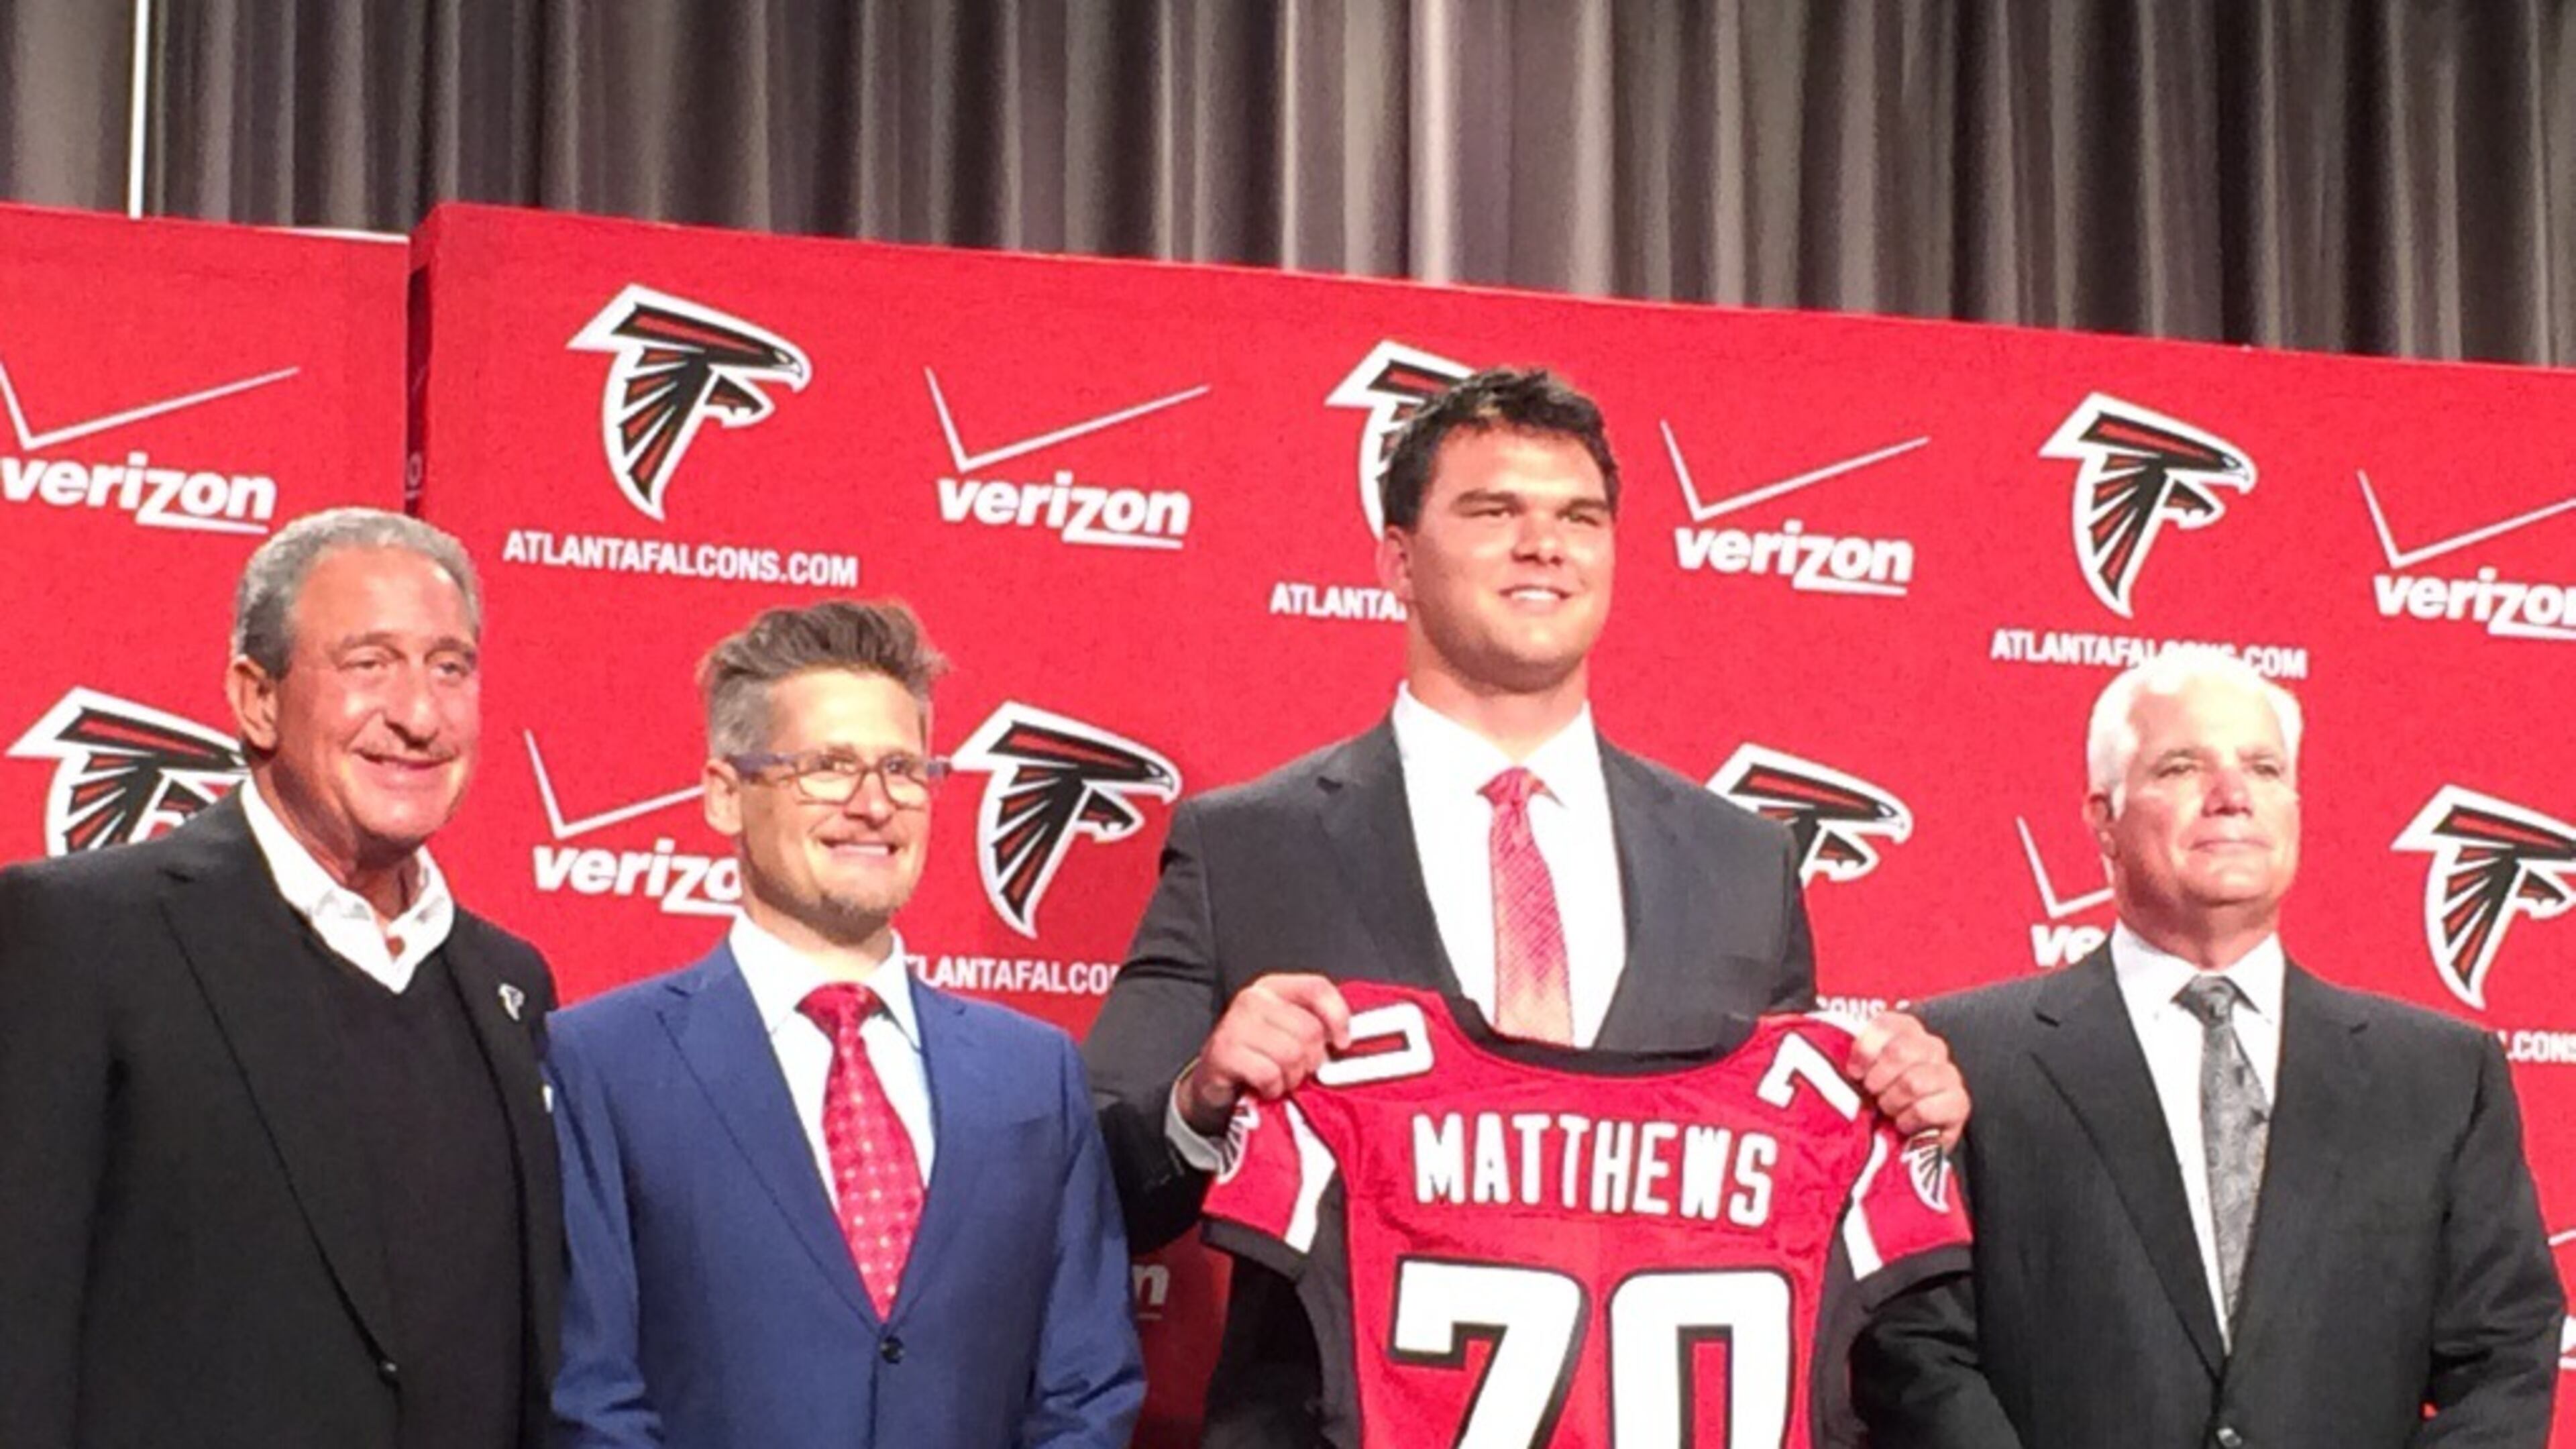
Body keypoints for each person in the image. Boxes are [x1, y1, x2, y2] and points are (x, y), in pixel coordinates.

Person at [1081, 366, 1969, 1443]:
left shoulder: (1742, 861)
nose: (1544, 543)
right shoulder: (1248, 846)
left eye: (1578, 517)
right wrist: (1205, 1095)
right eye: (1494, 511)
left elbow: (1799, 1218)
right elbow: (1104, 1178)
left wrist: (1903, 1118)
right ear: (1396, 561)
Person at [1855, 649, 2565, 1448]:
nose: (2231, 797)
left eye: (2263, 768)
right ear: (2103, 819)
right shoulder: (1960, 1060)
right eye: (2182, 766)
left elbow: (2503, 1357)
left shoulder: (2440, 1076)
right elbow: (1914, 1347)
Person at [0, 508, 560, 1449]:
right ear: (257, 698)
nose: (418, 715)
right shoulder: (82, 936)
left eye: (450, 666)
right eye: (369, 664)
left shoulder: (512, 984)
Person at [547, 600, 1142, 1448]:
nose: (873, 804)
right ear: (725, 794)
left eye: (903, 769)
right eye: (828, 766)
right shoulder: (602, 1064)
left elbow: (1088, 1386)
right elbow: (590, 1393)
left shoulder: (1034, 1073)